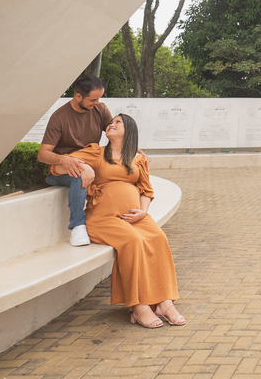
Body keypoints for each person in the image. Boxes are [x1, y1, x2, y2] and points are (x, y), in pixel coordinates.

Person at [51, 113, 184, 329]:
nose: (111, 124)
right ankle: (138, 306)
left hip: (136, 217)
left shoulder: (138, 159)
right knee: (133, 242)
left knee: (158, 237)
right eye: (111, 122)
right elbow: (56, 168)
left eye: (117, 122)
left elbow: (146, 190)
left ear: (129, 130)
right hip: (104, 218)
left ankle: (164, 302)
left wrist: (143, 212)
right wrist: (82, 167)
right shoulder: (96, 152)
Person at [38, 74, 112, 246]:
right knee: (79, 176)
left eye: (99, 98)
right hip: (61, 170)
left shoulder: (100, 109)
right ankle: (78, 226)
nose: (97, 103)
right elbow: (43, 155)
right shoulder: (59, 118)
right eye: (93, 99)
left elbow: (115, 132)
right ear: (78, 96)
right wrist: (65, 160)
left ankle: (108, 219)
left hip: (90, 163)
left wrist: (133, 148)